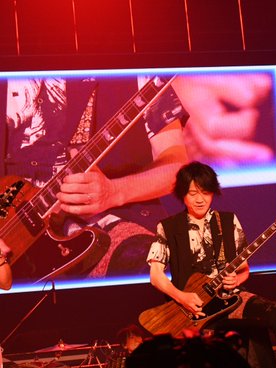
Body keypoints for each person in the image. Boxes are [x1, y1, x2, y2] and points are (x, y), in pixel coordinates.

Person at [147, 161, 276, 368]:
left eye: (205, 192)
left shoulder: (228, 221)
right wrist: (182, 297)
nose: (200, 199)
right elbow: (156, 276)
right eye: (193, 193)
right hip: (195, 310)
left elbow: (244, 269)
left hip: (231, 300)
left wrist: (237, 280)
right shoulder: (168, 227)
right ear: (183, 194)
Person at [2, 75, 189, 281]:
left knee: (154, 269)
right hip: (11, 237)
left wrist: (115, 191)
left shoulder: (138, 72)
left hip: (108, 226)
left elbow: (177, 166)